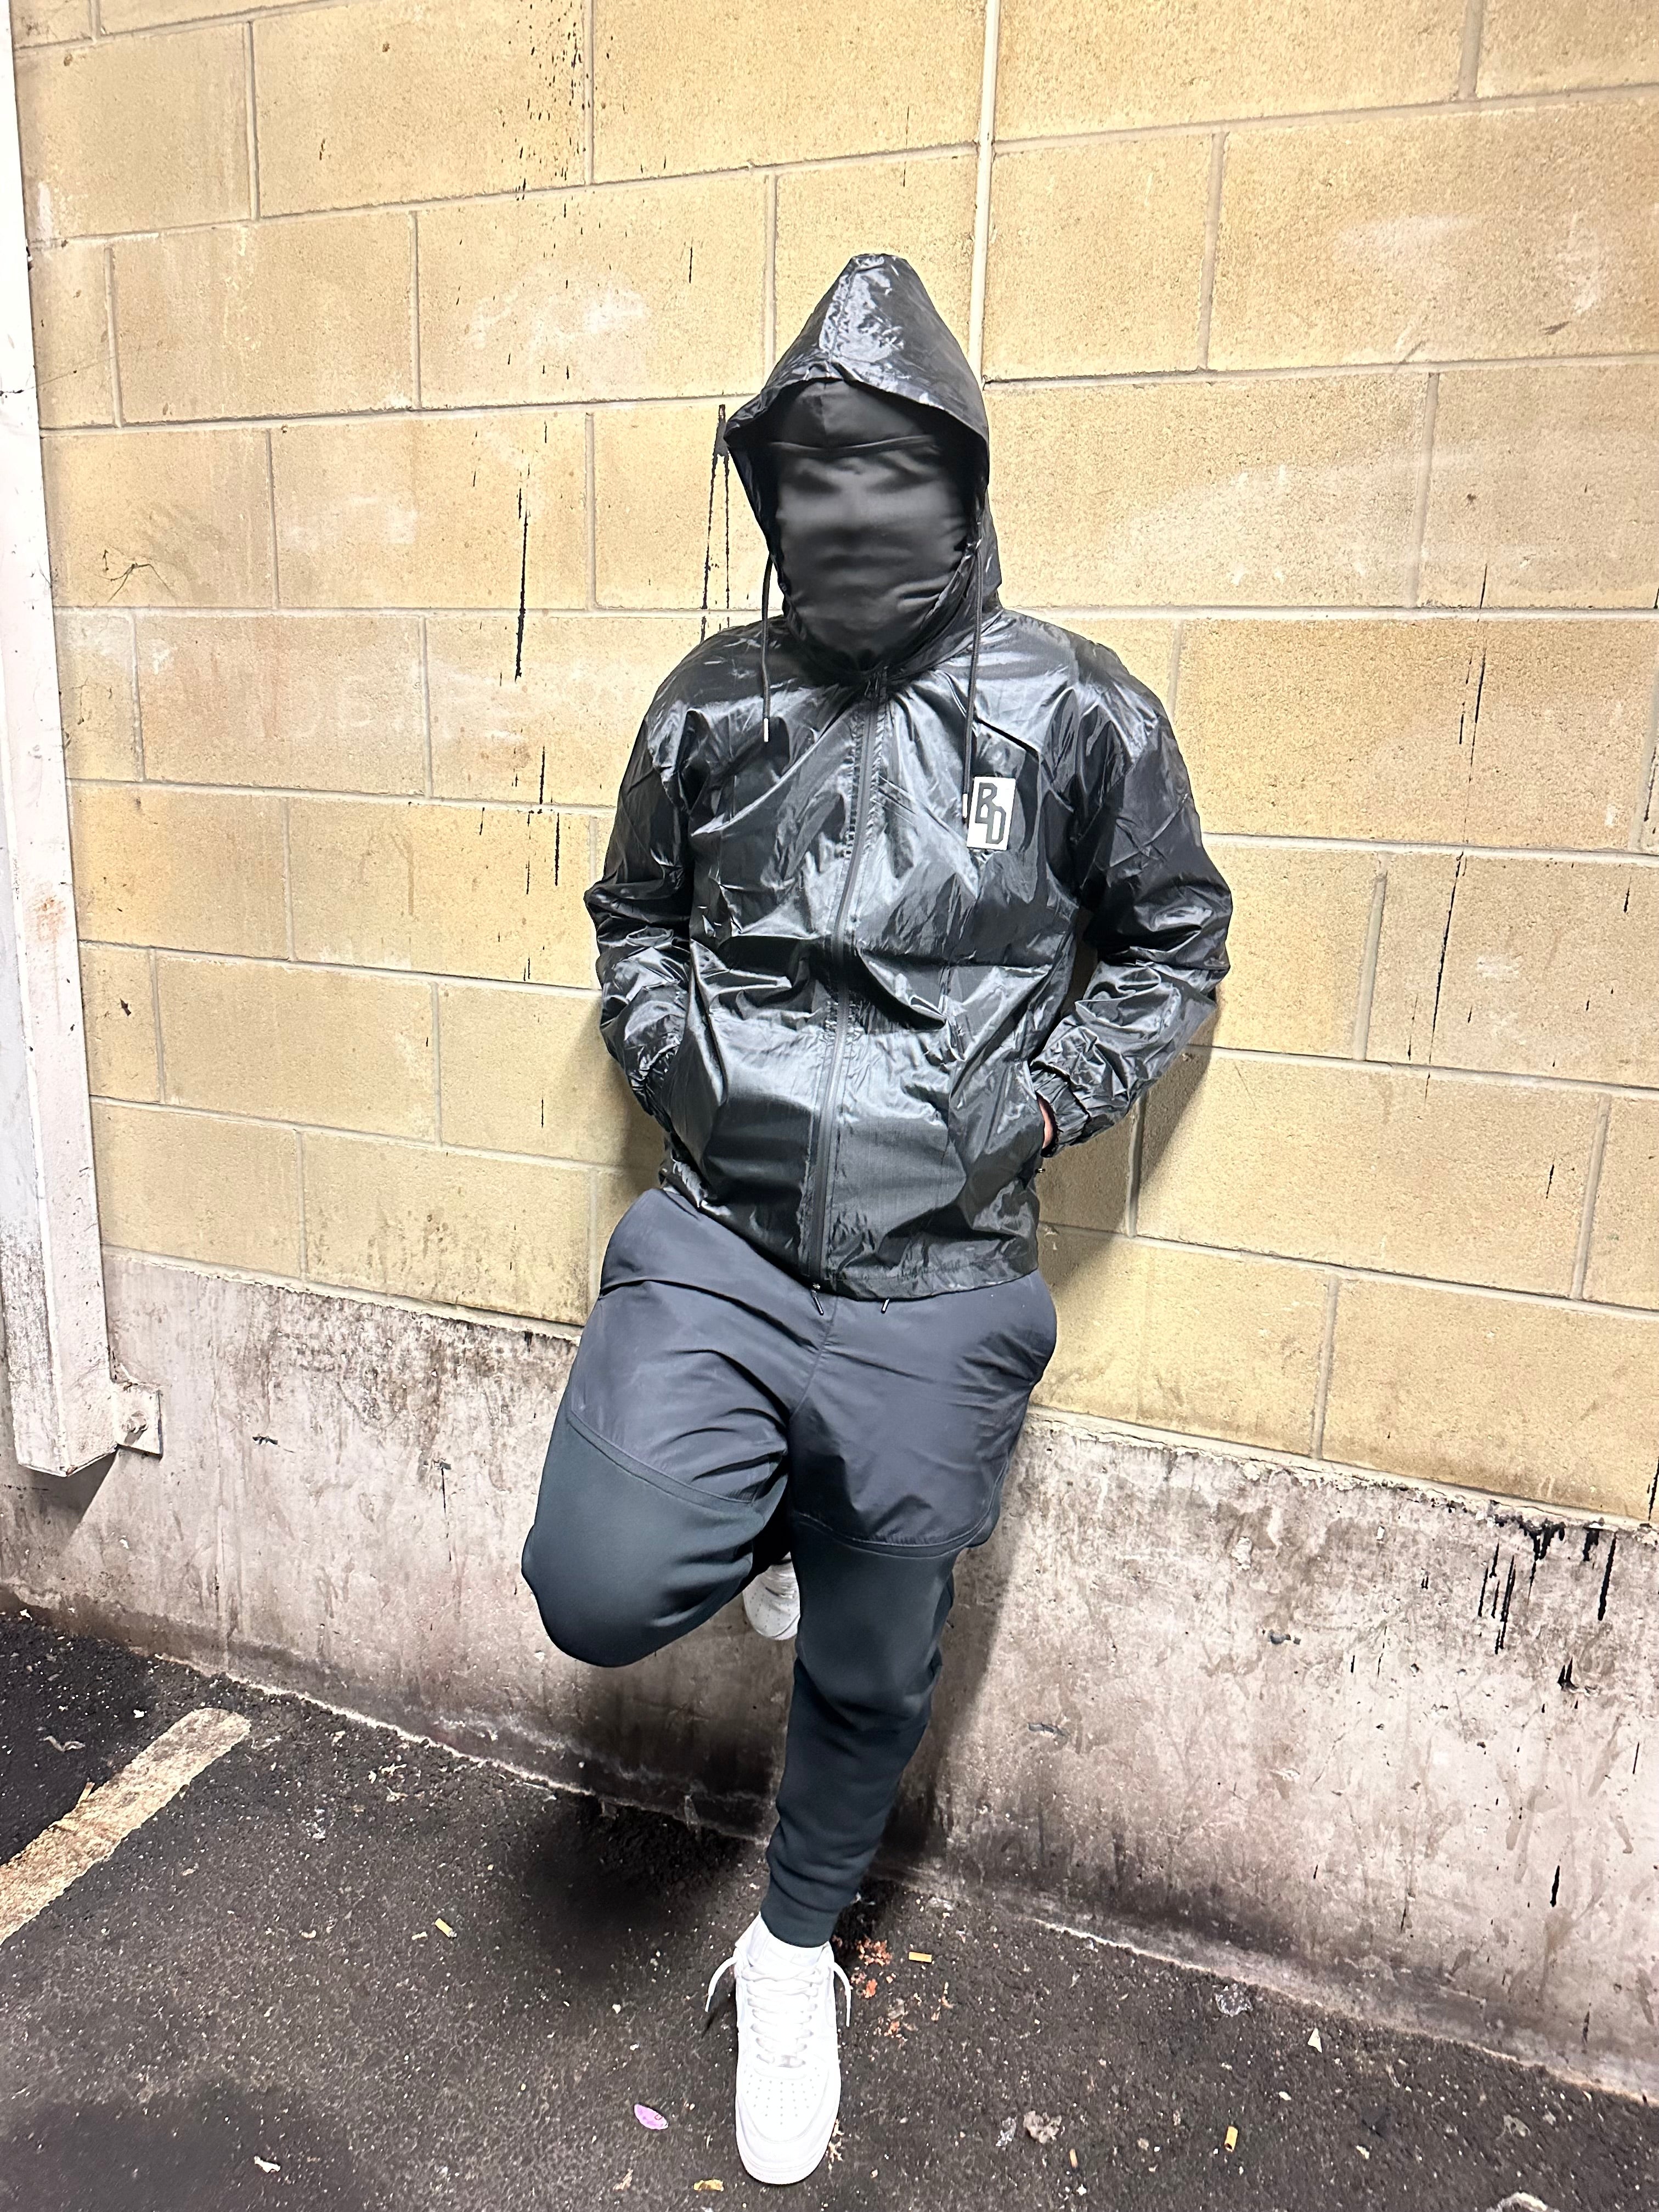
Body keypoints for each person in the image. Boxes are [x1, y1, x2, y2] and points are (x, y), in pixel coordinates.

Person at [522, 253, 1231, 2187]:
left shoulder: (1074, 710)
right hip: (726, 1238)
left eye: (889, 469)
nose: (847, 510)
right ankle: (761, 1506)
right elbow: (631, 921)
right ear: (769, 493)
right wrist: (683, 1071)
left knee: (868, 1665)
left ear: (962, 483)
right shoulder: (712, 703)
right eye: (809, 473)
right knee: (595, 1582)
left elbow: (1175, 940)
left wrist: (1033, 1106)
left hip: (942, 1272)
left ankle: (792, 1950)